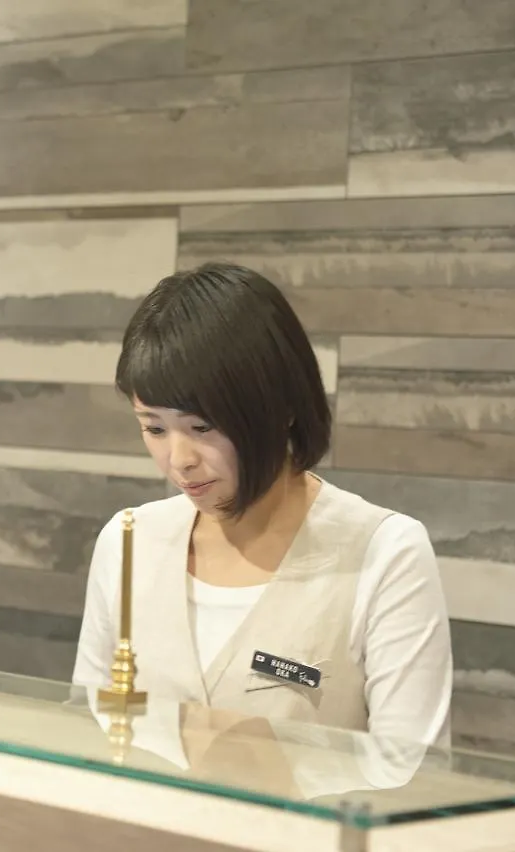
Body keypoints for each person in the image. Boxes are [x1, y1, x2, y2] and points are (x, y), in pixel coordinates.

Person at [72, 262, 452, 749]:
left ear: (282, 407)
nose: (179, 459)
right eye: (154, 428)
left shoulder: (385, 553)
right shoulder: (129, 541)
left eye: (202, 427)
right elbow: (86, 728)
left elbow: (415, 772)